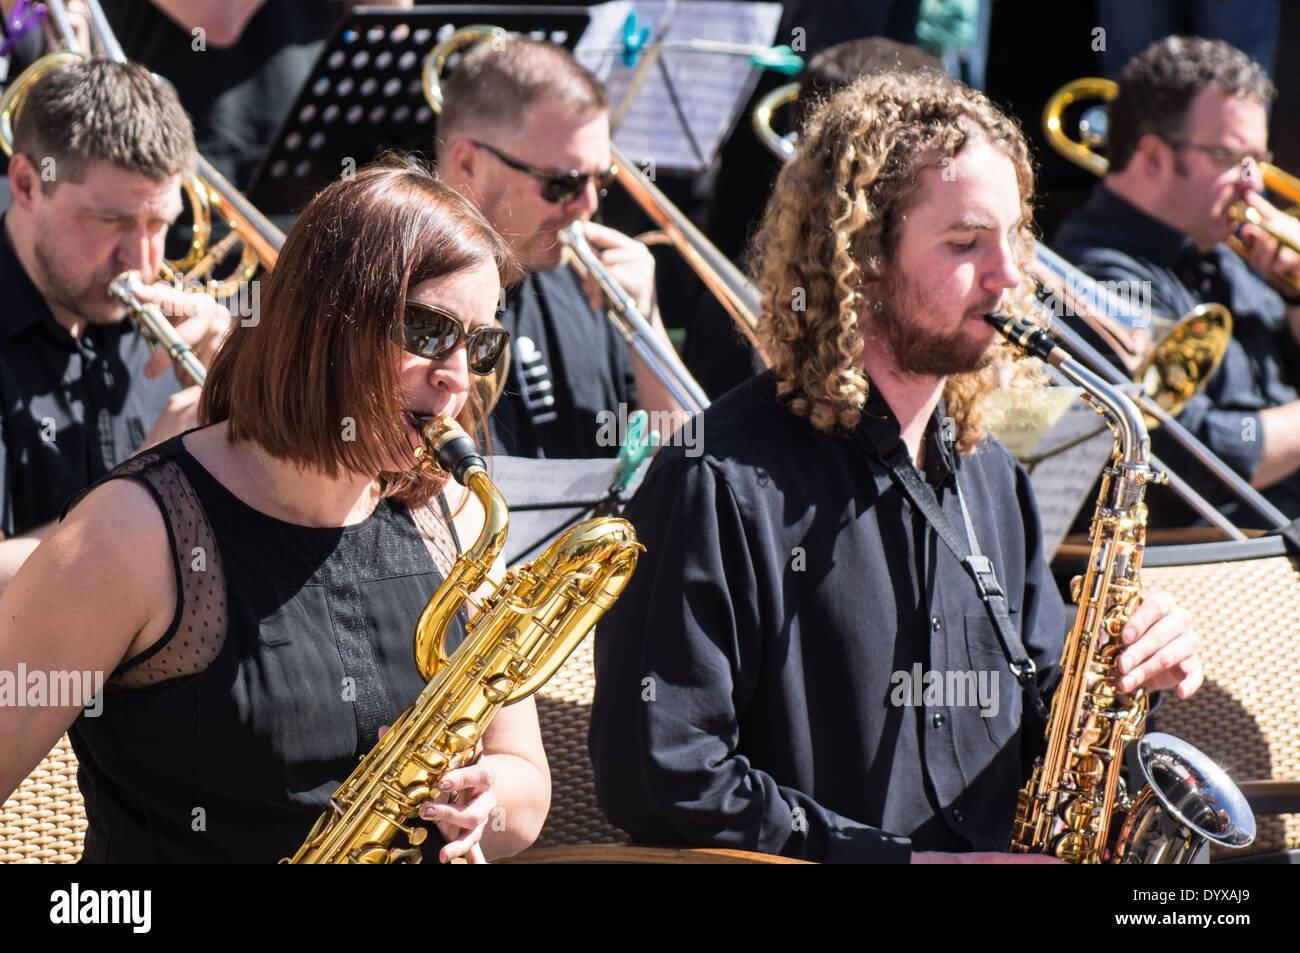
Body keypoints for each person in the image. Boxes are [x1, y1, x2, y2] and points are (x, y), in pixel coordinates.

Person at [588, 69, 1204, 863]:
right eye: (964, 243)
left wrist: (1133, 671)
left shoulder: (994, 478)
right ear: (862, 259)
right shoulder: (717, 481)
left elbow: (1053, 736)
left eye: (1012, 238)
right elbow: (660, 776)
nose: (1011, 277)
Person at [0, 156, 550, 863]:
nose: (456, 377)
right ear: (329, 322)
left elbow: (527, 785)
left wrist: (485, 798)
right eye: (427, 332)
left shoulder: (459, 518)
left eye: (480, 344)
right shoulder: (132, 532)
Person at [0, 56, 230, 594]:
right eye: (112, 222)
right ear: (28, 184)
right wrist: (146, 486)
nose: (143, 260)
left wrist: (246, 380)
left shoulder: (173, 308)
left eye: (160, 224)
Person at [1054, 36, 1300, 524]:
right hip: (1213, 565)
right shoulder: (1094, 275)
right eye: (1231, 158)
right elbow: (1191, 458)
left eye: (1259, 160)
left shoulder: (1228, 250)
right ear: (1152, 157)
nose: (1255, 183)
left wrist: (1296, 295)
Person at [435, 36, 684, 459]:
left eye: (599, 180)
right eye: (562, 183)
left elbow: (688, 470)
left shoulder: (590, 285)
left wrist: (647, 327)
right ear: (467, 164)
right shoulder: (406, 297)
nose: (587, 205)